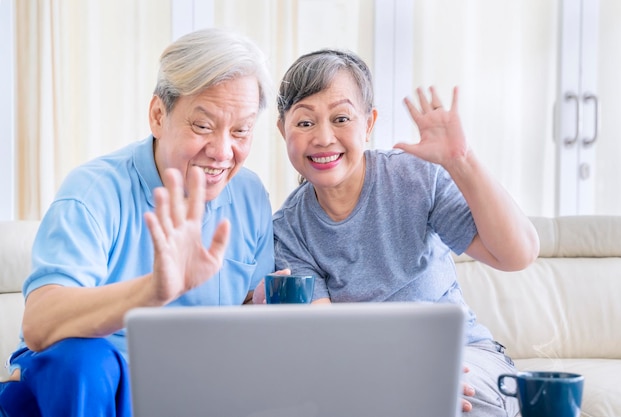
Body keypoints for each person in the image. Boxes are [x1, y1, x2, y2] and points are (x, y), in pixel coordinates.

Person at [0, 28, 276, 416]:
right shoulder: (93, 190)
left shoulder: (249, 195)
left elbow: (250, 309)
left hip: (186, 385)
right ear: (158, 116)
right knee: (84, 360)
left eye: (241, 131)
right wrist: (153, 291)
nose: (222, 151)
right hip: (81, 387)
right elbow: (39, 323)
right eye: (202, 126)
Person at [264, 49, 540, 416]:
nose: (323, 137)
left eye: (341, 118)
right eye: (304, 123)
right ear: (282, 128)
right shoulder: (288, 231)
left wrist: (462, 161)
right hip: (364, 373)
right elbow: (329, 339)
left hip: (464, 357)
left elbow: (517, 254)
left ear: (369, 122)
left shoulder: (415, 178)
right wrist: (399, 380)